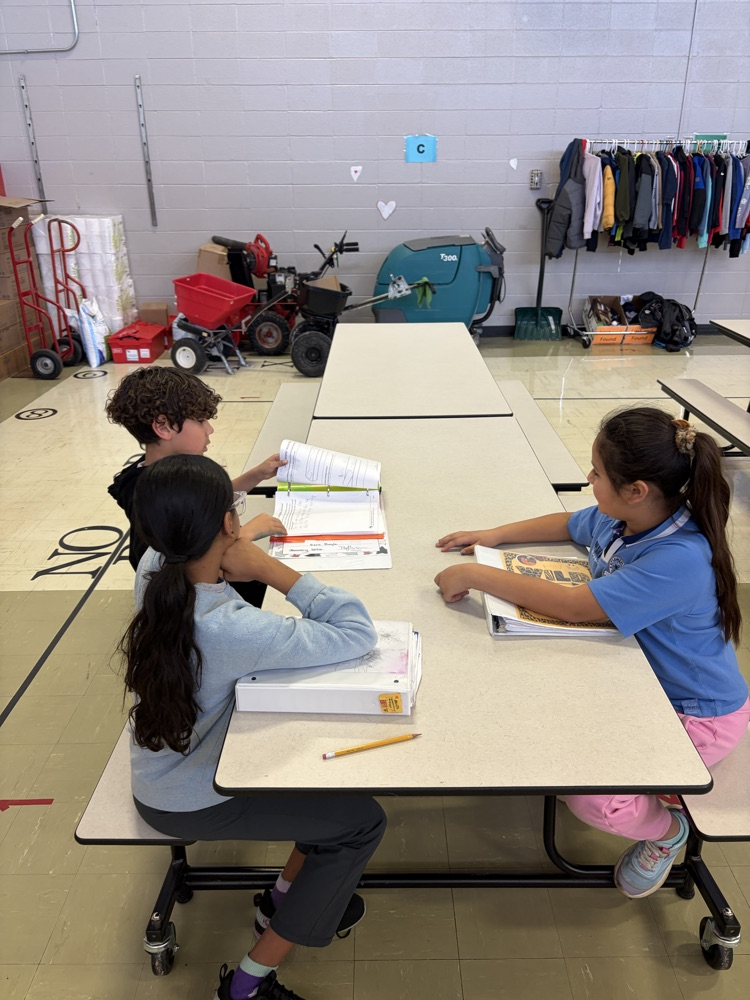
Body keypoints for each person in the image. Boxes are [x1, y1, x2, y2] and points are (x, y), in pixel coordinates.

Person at [434, 406, 749, 899]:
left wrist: (476, 574)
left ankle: (666, 832)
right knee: (553, 723)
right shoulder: (627, 516)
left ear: (636, 490)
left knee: (592, 797)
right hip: (641, 684)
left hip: (695, 718)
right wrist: (494, 536)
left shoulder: (679, 558)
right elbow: (569, 523)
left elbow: (575, 606)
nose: (588, 478)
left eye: (598, 473)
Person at [121, 454, 387, 1000]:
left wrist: (234, 545)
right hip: (193, 796)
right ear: (227, 524)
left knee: (322, 790)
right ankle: (247, 984)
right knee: (362, 822)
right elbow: (357, 632)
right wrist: (269, 569)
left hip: (167, 770)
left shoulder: (152, 568)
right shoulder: (231, 627)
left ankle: (280, 901)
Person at [105, 366, 287, 575]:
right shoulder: (155, 496)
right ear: (163, 427)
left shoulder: (157, 471)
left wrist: (257, 474)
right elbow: (191, 567)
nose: (209, 429)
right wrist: (248, 533)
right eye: (200, 421)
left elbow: (205, 498)